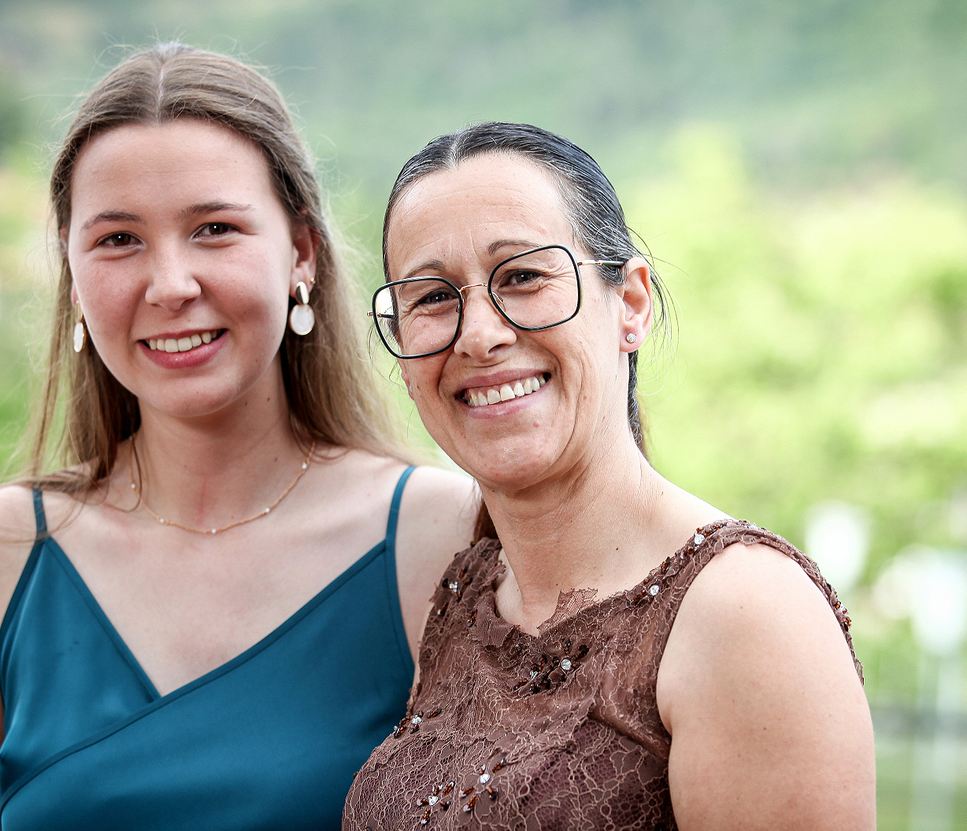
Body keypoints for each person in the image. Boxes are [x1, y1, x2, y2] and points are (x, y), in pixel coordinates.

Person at [0, 43, 475, 831]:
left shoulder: (439, 536)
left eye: (214, 228)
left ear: (301, 253)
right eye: (118, 239)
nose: (171, 285)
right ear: (72, 272)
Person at [343, 122, 875, 830]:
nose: (479, 335)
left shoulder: (746, 615)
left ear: (630, 304)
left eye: (522, 277)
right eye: (433, 297)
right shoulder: (466, 594)